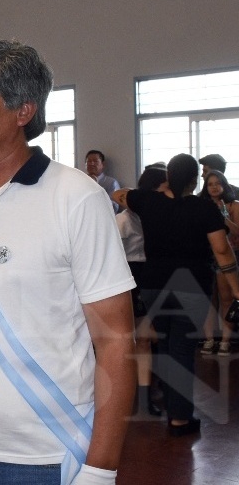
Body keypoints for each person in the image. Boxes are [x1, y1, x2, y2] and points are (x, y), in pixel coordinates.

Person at [0, 39, 136, 485]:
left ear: (23, 111)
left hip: (41, 454)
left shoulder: (76, 198)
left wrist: (101, 467)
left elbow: (115, 340)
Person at [113, 154, 239, 437]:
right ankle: (180, 418)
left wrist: (152, 193)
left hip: (153, 284)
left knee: (169, 346)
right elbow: (222, 250)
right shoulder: (204, 209)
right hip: (191, 285)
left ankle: (174, 408)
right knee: (181, 349)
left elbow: (118, 194)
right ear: (196, 180)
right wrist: (236, 287)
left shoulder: (149, 202)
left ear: (168, 177)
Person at [116, 166, 168, 417]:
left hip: (153, 274)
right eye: (164, 186)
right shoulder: (125, 219)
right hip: (131, 276)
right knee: (139, 338)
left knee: (149, 337)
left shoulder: (160, 213)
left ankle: (149, 392)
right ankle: (140, 393)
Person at [199, 169, 238, 356]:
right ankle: (208, 339)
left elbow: (237, 232)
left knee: (226, 299)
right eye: (210, 184)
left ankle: (225, 340)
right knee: (207, 299)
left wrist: (223, 217)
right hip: (205, 256)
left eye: (217, 183)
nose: (214, 187)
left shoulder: (233, 205)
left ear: (224, 184)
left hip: (226, 258)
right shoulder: (200, 205)